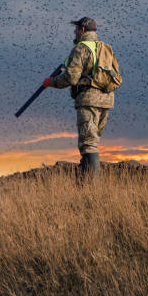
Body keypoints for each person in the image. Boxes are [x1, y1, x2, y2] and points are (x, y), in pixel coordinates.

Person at [42, 17, 115, 177]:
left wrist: (51, 82)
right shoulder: (105, 48)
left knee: (88, 143)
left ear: (82, 30)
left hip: (89, 100)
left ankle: (90, 187)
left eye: (76, 29)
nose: (74, 32)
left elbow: (71, 78)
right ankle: (84, 178)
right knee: (93, 141)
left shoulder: (80, 49)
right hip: (106, 101)